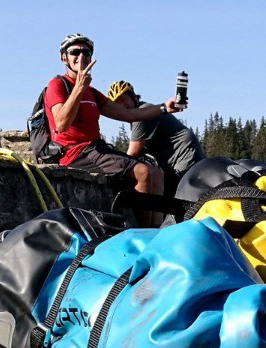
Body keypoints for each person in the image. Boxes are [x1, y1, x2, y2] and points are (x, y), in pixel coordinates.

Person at [44, 34, 184, 223]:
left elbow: (129, 115)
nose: (81, 56)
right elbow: (61, 124)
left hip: (96, 148)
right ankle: (142, 235)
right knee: (142, 172)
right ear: (64, 58)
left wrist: (164, 108)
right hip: (74, 153)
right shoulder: (57, 85)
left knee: (156, 173)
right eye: (74, 52)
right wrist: (78, 88)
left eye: (86, 52)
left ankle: (156, 232)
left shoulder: (91, 92)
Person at [106, 80, 206, 197]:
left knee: (175, 199)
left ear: (133, 96)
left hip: (183, 159)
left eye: (123, 100)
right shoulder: (143, 110)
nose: (122, 106)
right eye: (117, 103)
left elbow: (132, 154)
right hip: (179, 159)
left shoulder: (141, 113)